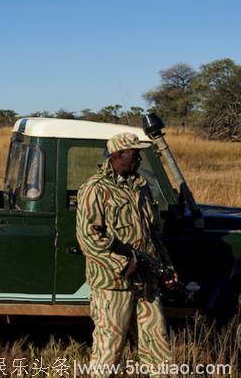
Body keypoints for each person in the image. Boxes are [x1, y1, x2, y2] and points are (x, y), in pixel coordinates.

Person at [76, 133, 177, 374]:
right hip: (113, 284)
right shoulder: (95, 189)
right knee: (109, 347)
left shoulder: (141, 187)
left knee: (158, 345)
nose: (139, 158)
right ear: (119, 155)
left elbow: (154, 233)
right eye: (135, 153)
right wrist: (121, 264)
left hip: (147, 281)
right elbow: (87, 236)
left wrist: (167, 267)